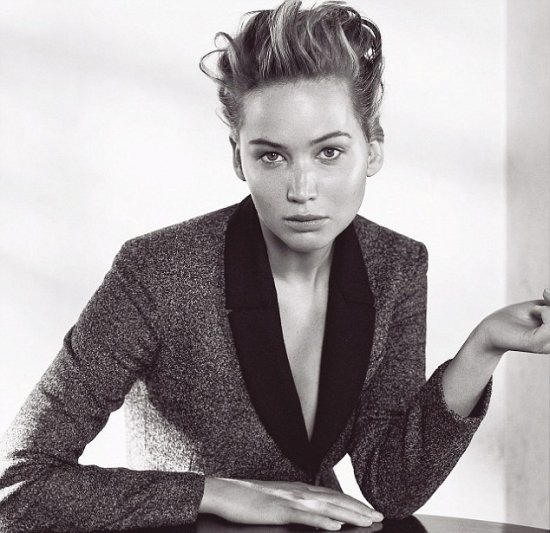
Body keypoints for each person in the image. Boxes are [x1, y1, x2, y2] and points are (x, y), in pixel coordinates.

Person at [0, 1, 549, 531]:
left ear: (373, 149)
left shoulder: (396, 266)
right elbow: (19, 484)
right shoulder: (156, 271)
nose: (301, 189)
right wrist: (219, 492)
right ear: (237, 156)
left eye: (329, 152)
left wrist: (484, 347)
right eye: (272, 155)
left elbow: (393, 488)